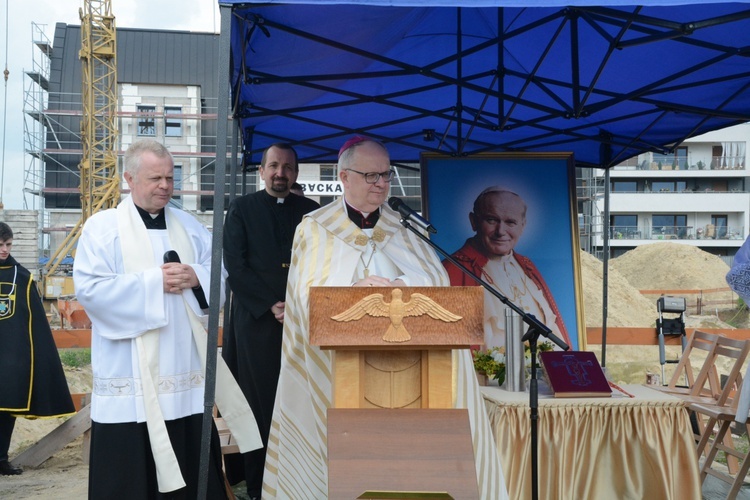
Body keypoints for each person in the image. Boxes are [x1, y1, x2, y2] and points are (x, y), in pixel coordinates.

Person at [262, 136, 508, 499]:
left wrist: (400, 285)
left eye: (385, 175)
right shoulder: (314, 228)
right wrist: (350, 290)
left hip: (416, 375)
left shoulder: (408, 228)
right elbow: (303, 297)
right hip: (338, 374)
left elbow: (437, 283)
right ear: (344, 176)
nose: (381, 183)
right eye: (371, 176)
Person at [73, 139, 261, 498]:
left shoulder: (190, 226)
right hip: (129, 369)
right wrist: (151, 283)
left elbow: (217, 277)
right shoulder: (103, 228)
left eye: (170, 178)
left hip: (182, 369)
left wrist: (195, 278)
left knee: (190, 458)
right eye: (155, 178)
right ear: (129, 178)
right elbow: (91, 290)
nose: (164, 186)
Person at [221, 143, 319, 499]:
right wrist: (271, 305)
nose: (281, 173)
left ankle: (301, 481)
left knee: (301, 401)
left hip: (303, 322)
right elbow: (236, 264)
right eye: (274, 166)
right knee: (258, 406)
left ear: (296, 173)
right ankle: (261, 486)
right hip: (257, 322)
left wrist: (296, 305)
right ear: (261, 171)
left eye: (288, 167)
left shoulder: (312, 213)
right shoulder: (242, 208)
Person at [443, 186, 571, 349]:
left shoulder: (526, 267)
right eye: (491, 220)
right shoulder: (454, 269)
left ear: (522, 226)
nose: (501, 231)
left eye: (510, 222)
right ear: (474, 221)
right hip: (485, 373)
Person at [0, 222, 75, 476]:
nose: (3, 250)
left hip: (10, 357)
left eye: (7, 245)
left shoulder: (23, 278)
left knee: (6, 409)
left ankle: (0, 459)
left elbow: (35, 325)